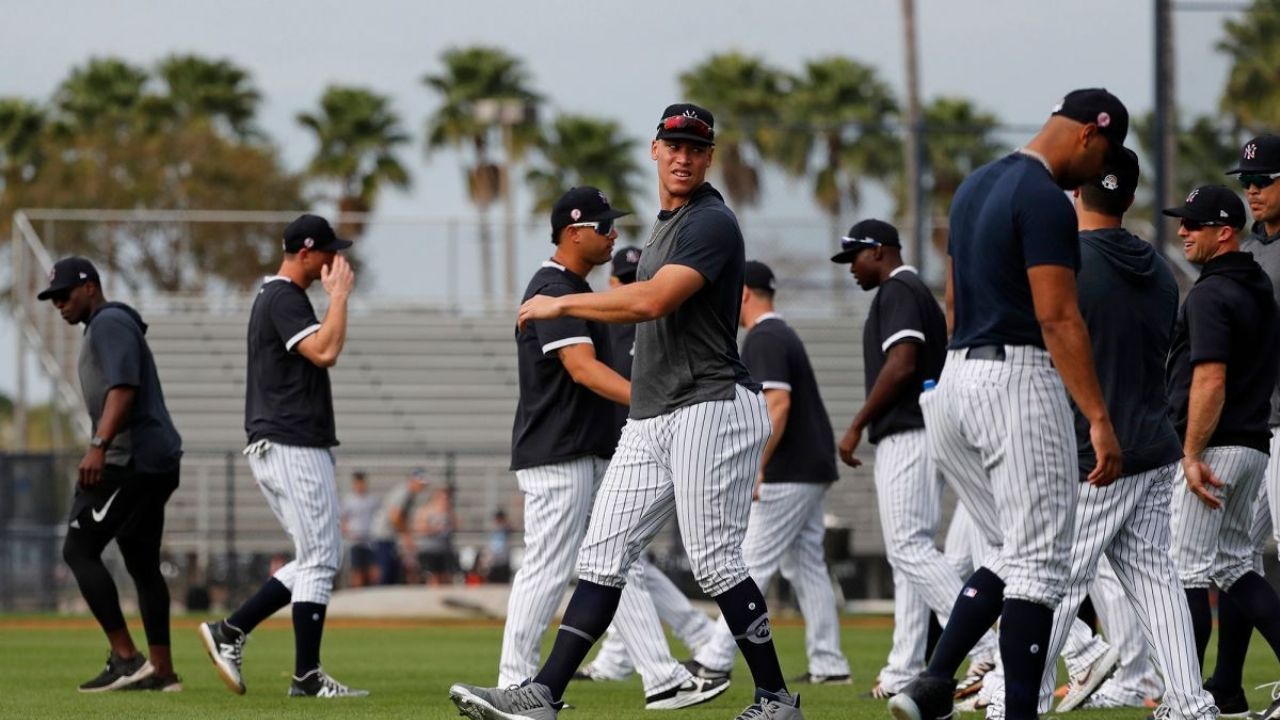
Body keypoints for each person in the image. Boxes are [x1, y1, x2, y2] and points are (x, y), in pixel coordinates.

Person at [451, 102, 802, 720]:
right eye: (674, 145)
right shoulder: (668, 225)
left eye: (696, 147)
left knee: (715, 562)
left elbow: (655, 300)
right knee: (603, 556)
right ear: (654, 150)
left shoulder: (711, 223)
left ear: (709, 156)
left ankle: (776, 697)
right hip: (654, 415)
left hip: (711, 403)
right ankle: (543, 695)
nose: (683, 156)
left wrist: (563, 307)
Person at [887, 88, 1128, 720]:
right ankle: (1014, 710)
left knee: (1010, 551)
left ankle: (935, 680)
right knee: (1042, 565)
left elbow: (951, 302)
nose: (1097, 169)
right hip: (1015, 375)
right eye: (1105, 152)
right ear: (1088, 134)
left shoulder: (974, 186)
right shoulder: (1045, 197)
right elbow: (1058, 315)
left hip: (956, 379)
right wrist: (1099, 418)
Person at [980, 150, 1212, 720]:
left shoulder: (1069, 264)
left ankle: (1017, 702)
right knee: (1157, 582)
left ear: (1075, 194)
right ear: (1130, 199)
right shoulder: (1160, 269)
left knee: (1049, 581)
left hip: (1093, 453)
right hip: (1152, 444)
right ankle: (1189, 703)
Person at [495, 185, 726, 711]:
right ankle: (514, 681)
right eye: (603, 227)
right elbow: (582, 369)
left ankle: (661, 676)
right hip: (558, 452)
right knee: (550, 567)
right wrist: (655, 400)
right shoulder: (551, 286)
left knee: (613, 562)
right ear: (573, 232)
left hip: (584, 447)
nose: (613, 233)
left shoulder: (570, 288)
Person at [198, 213, 367, 698]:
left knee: (318, 556)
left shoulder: (279, 296)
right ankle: (301, 674)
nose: (337, 259)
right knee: (319, 557)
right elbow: (326, 351)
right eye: (329, 251)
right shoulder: (283, 297)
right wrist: (338, 297)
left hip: (288, 440)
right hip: (291, 441)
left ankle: (234, 633)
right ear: (306, 252)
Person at [829, 220, 999, 701]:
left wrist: (858, 421)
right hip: (922, 429)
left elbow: (903, 362)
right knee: (909, 556)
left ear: (879, 252)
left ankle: (983, 643)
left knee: (909, 548)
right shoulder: (907, 289)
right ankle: (904, 668)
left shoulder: (898, 288)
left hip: (910, 430)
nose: (852, 270)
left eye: (856, 258)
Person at [682, 260, 851, 686]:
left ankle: (715, 659)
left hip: (788, 471)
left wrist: (756, 464)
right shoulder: (782, 333)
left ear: (743, 294)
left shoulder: (765, 336)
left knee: (751, 560)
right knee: (806, 566)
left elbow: (777, 404)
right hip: (809, 466)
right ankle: (830, 664)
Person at [576, 244, 721, 684]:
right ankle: (679, 637)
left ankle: (651, 661)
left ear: (613, 285)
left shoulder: (617, 329)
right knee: (626, 559)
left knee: (612, 558)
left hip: (634, 452)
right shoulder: (664, 325)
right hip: (668, 445)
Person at [39, 257, 184, 692]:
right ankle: (160, 672)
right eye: (53, 298)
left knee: (79, 550)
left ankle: (126, 658)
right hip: (149, 460)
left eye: (65, 294)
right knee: (141, 563)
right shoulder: (106, 325)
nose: (59, 304)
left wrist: (97, 446)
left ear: (90, 287)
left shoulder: (108, 322)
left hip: (130, 461)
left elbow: (124, 388)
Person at [1163, 185, 1280, 720]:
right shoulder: (1255, 284)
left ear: (1224, 232)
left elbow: (1209, 378)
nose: (1182, 231)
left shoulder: (1211, 294)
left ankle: (1185, 700)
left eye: (1193, 224)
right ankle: (1201, 693)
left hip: (1218, 445)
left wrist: (1191, 452)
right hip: (1254, 442)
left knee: (1186, 569)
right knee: (1234, 564)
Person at [1207, 133, 1280, 718]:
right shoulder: (1248, 254)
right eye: (1247, 183)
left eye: (1264, 181)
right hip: (1253, 428)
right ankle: (1226, 684)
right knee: (1234, 557)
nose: (1252, 191)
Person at [371, 468, 428, 585]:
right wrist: (406, 535)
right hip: (384, 535)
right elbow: (395, 517)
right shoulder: (404, 492)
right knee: (387, 571)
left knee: (393, 571)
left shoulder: (409, 494)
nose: (422, 487)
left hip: (389, 536)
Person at [339, 471, 380, 587]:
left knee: (372, 571)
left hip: (369, 541)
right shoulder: (348, 500)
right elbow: (342, 519)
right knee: (357, 571)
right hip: (354, 541)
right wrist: (347, 531)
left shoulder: (372, 500)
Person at [414, 484, 458, 586]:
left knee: (447, 577)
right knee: (433, 577)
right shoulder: (427, 510)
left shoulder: (449, 511)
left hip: (445, 549)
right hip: (430, 549)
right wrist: (435, 529)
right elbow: (419, 527)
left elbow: (456, 526)